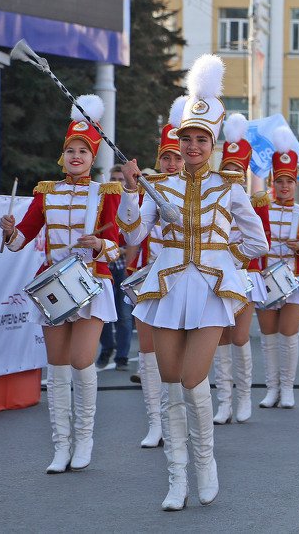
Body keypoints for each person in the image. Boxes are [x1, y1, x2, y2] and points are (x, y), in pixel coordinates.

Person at [118, 55, 269, 510]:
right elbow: (133, 233)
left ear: (213, 142)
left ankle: (206, 464)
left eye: (201, 139)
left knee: (192, 377)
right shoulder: (157, 186)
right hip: (165, 289)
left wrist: (223, 257)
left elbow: (257, 241)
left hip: (209, 292)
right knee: (169, 383)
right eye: (187, 139)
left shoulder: (229, 187)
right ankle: (176, 479)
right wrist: (131, 190)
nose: (193, 146)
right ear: (178, 141)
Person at [1, 95, 121, 474]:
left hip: (91, 283)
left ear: (93, 157)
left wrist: (101, 244)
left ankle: (84, 439)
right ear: (62, 155)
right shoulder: (45, 192)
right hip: (54, 285)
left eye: (83, 151)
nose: (75, 156)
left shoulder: (105, 194)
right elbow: (21, 240)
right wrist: (8, 232)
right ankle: (60, 445)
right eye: (70, 149)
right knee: (56, 367)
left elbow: (118, 247)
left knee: (82, 360)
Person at [122, 96, 186, 448]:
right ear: (158, 158)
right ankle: (155, 423)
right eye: (166, 156)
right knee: (147, 352)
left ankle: (181, 419)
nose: (172, 162)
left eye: (177, 156)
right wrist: (132, 189)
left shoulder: (199, 189)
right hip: (152, 279)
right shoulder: (150, 189)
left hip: (187, 278)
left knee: (180, 355)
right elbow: (133, 234)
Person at [210, 114, 270, 423]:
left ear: (244, 174)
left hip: (245, 274)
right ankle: (224, 401)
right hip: (217, 277)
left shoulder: (254, 203)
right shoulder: (213, 200)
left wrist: (233, 254)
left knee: (240, 336)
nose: (231, 175)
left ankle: (244, 396)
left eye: (237, 170)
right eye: (227, 170)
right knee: (219, 337)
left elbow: (263, 242)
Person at [254, 124, 299, 408]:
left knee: (288, 335)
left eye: (289, 181)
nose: (284, 186)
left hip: (295, 278)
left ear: (296, 183)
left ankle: (288, 388)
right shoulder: (261, 209)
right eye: (279, 181)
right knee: (268, 336)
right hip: (267, 277)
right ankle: (271, 389)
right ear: (272, 182)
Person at [96, 164, 132, 372]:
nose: (117, 183)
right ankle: (107, 348)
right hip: (104, 265)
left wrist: (128, 255)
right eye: (114, 179)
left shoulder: (130, 202)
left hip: (123, 266)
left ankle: (122, 357)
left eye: (121, 179)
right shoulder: (102, 201)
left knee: (125, 314)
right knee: (102, 313)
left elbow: (136, 235)